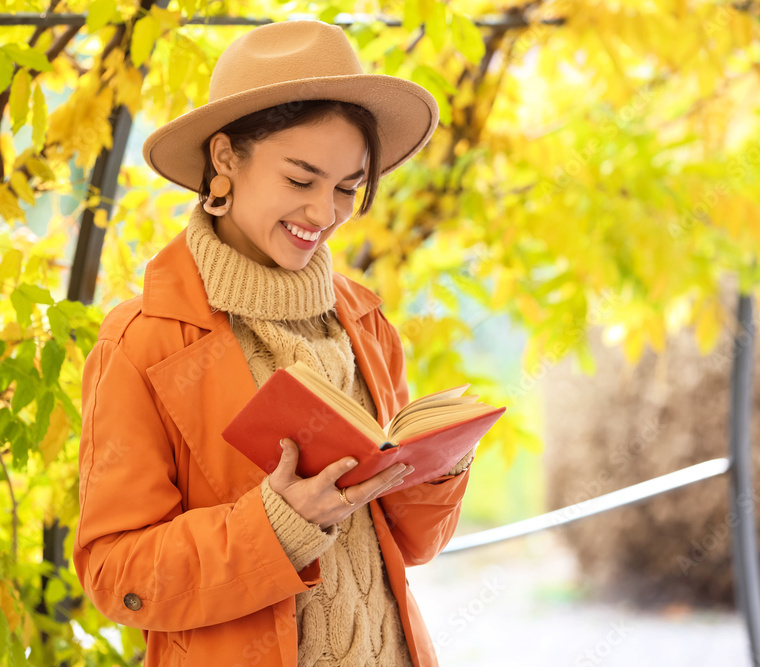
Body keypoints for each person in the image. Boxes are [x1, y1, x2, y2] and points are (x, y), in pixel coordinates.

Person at [73, 19, 476, 667]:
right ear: (226, 159)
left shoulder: (363, 318)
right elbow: (116, 576)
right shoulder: (142, 340)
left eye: (348, 187)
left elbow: (411, 545)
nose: (324, 213)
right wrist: (274, 526)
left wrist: (438, 464)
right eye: (300, 180)